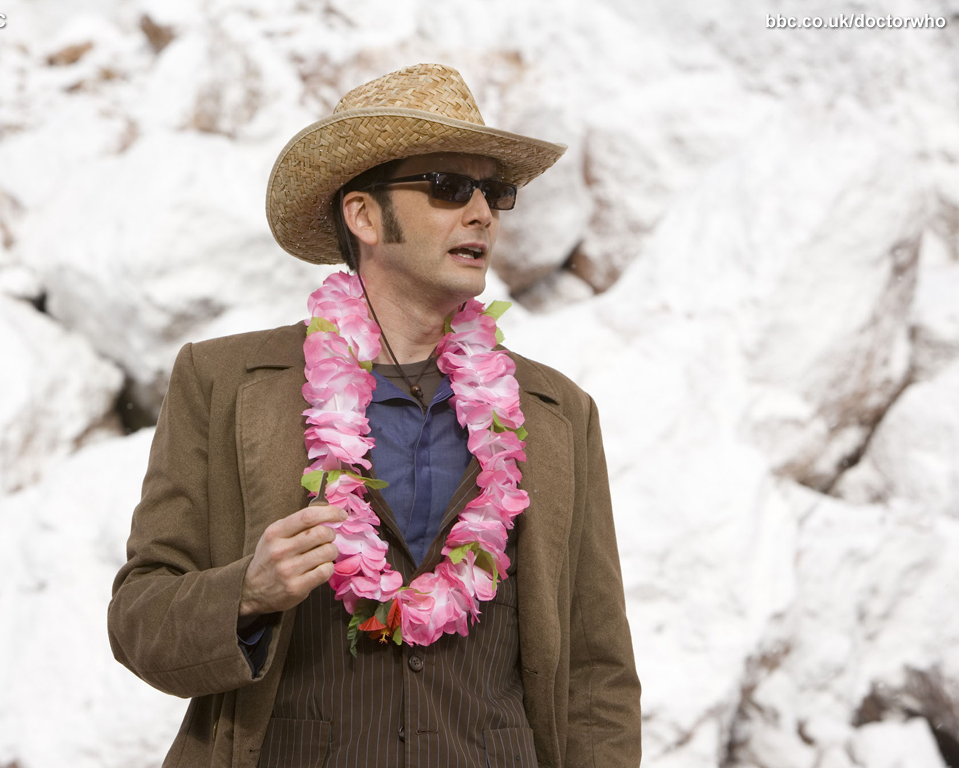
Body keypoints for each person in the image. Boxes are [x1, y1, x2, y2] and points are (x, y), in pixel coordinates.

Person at [108, 62, 640, 768]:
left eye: (494, 192)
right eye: (449, 187)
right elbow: (139, 620)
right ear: (363, 216)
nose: (482, 213)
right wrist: (247, 594)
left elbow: (598, 673)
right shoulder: (223, 382)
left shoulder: (558, 413)